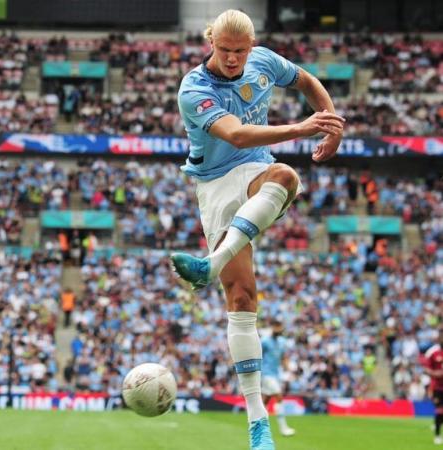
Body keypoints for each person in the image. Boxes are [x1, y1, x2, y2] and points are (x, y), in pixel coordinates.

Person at [169, 10, 344, 450]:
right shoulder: (194, 88)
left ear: (251, 47)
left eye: (239, 51)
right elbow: (238, 135)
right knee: (242, 300)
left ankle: (210, 264)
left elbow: (304, 80)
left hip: (256, 172)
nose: (232, 59)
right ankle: (257, 421)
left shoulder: (264, 61)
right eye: (224, 50)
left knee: (285, 177)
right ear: (212, 42)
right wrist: (302, 127)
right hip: (213, 185)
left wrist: (329, 119)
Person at [260, 320, 295, 437]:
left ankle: (257, 426)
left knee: (265, 400)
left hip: (275, 374)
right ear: (273, 328)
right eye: (277, 328)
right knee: (279, 397)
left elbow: (283, 357)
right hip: (266, 374)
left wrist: (288, 369)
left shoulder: (281, 342)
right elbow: (258, 355)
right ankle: (283, 428)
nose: (279, 331)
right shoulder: (264, 341)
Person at [424, 325, 443, 445]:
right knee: (440, 410)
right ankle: (437, 435)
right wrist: (436, 373)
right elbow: (426, 369)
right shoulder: (433, 352)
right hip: (438, 387)